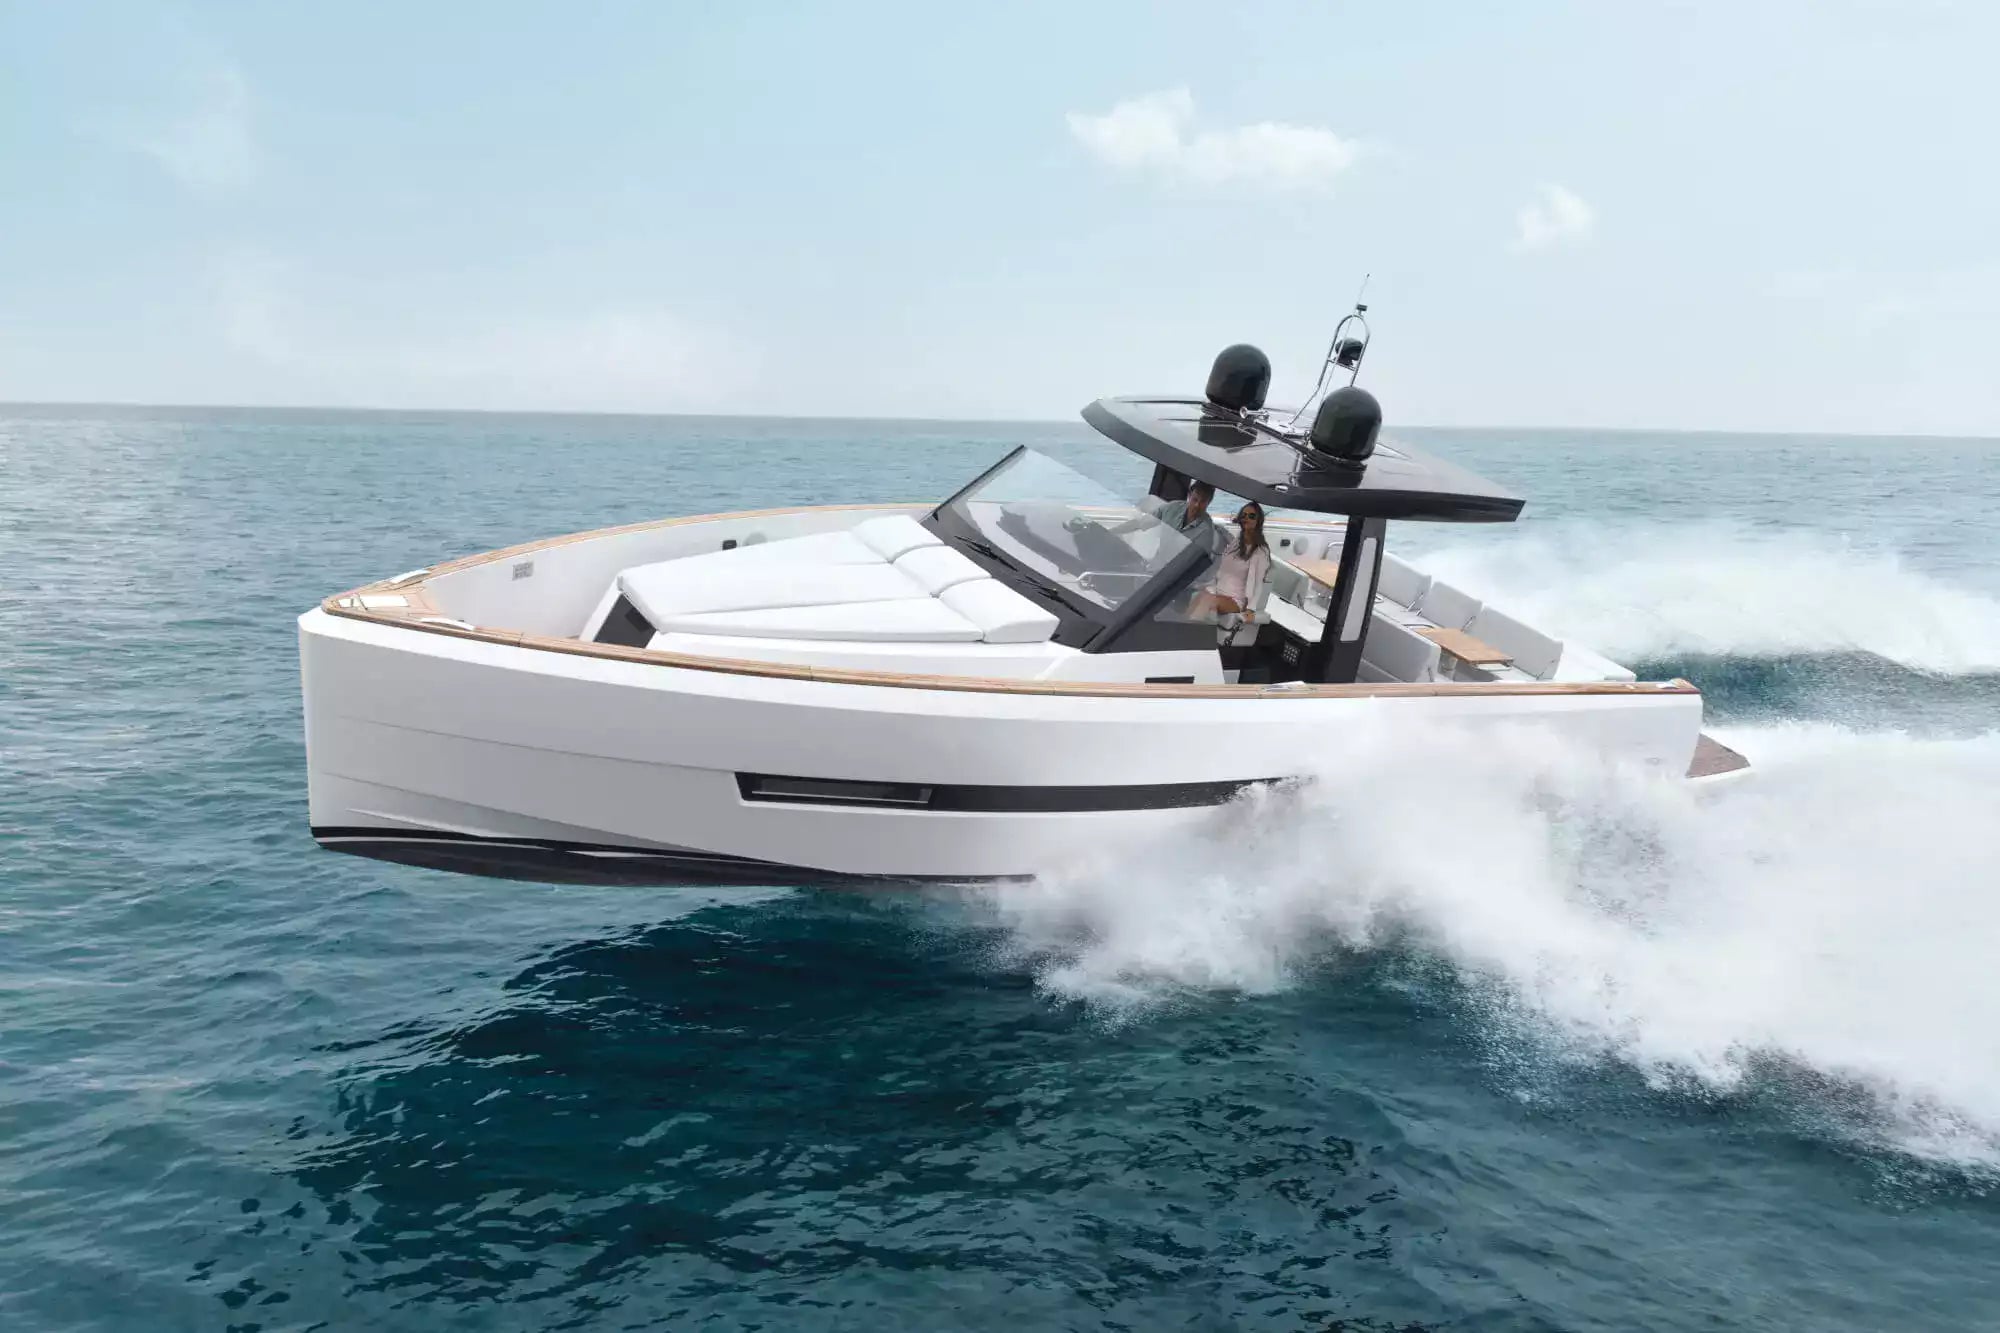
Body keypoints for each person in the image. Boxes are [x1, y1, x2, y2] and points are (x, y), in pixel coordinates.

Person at [1192, 501, 1272, 623]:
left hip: (1235, 599)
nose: (1246, 518)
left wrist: (1251, 609)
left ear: (1258, 521)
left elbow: (1258, 583)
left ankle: (1186, 635)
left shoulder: (1260, 551)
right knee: (1198, 597)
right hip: (1218, 590)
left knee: (1207, 600)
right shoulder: (1236, 542)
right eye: (1244, 515)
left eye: (1251, 516)